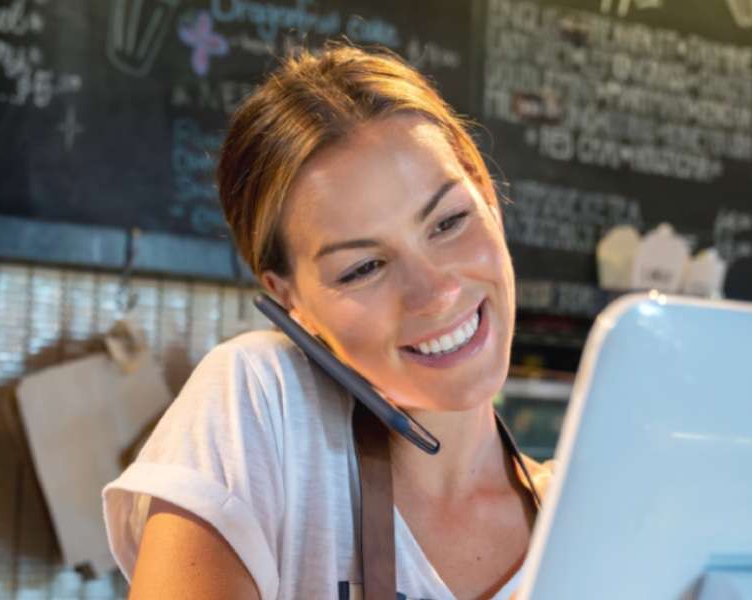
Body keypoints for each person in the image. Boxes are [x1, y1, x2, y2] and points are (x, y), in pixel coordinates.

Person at [103, 45, 555, 600]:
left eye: (449, 221)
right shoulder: (262, 399)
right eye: (363, 268)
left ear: (489, 200)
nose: (436, 293)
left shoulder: (593, 518)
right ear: (288, 298)